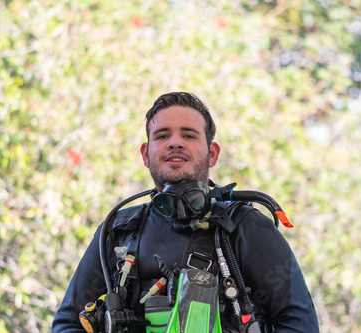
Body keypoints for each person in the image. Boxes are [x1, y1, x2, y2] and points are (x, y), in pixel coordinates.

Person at [52, 92, 319, 332]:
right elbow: (68, 323)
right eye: (162, 135)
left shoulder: (246, 227)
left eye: (189, 135)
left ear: (212, 154)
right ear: (146, 154)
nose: (175, 143)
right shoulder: (118, 231)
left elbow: (299, 324)